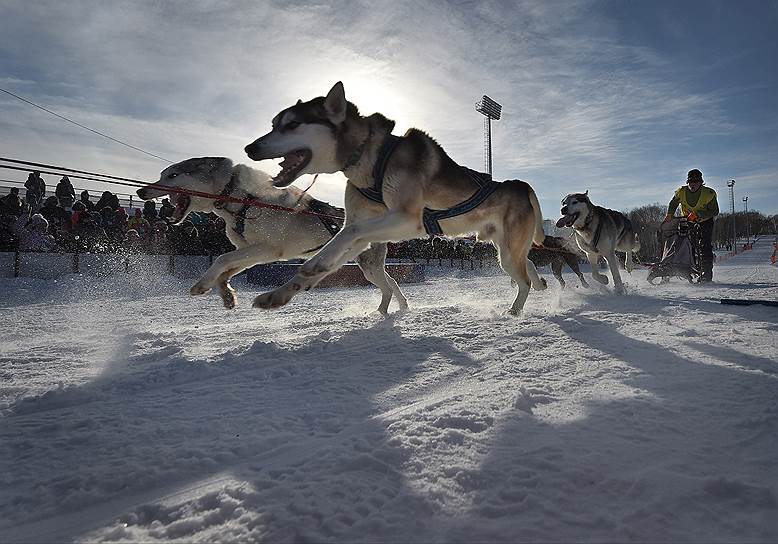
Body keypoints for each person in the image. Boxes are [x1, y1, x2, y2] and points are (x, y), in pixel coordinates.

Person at [663, 168, 719, 282]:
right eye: (691, 182)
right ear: (687, 182)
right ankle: (693, 269)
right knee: (689, 246)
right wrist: (669, 214)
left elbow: (714, 211)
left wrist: (698, 215)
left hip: (705, 221)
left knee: (705, 246)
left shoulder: (709, 193)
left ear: (701, 182)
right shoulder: (681, 192)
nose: (693, 184)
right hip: (688, 221)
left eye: (696, 182)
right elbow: (673, 202)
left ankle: (706, 273)